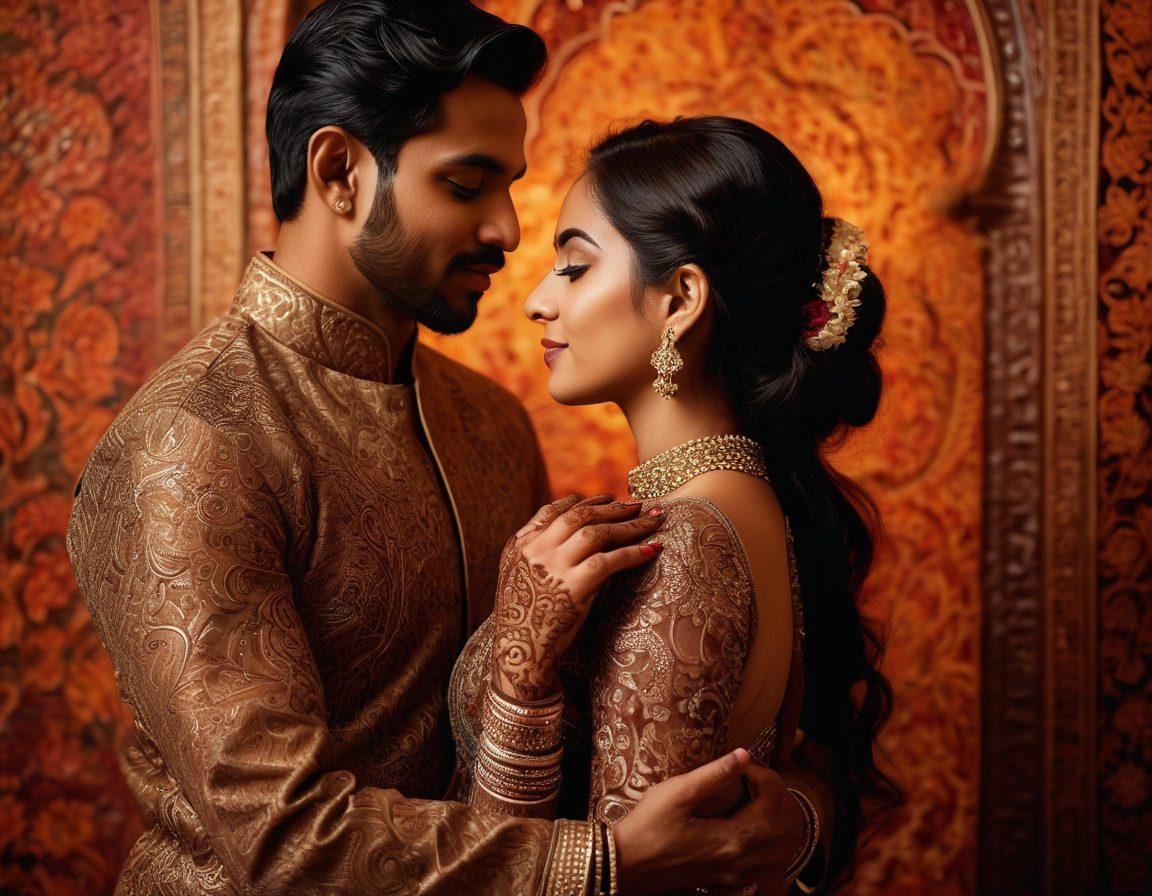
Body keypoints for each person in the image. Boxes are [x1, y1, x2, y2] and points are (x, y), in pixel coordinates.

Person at [65, 3, 838, 894]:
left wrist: (791, 822)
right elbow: (284, 843)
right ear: (340, 171)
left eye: (508, 187)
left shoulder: (490, 423)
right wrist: (613, 863)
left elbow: (586, 743)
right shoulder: (192, 444)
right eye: (468, 186)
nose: (509, 231)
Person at [447, 117, 903, 894]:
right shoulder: (738, 502)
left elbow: (636, 876)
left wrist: (522, 679)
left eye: (575, 267)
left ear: (680, 299)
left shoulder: (684, 544)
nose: (535, 300)